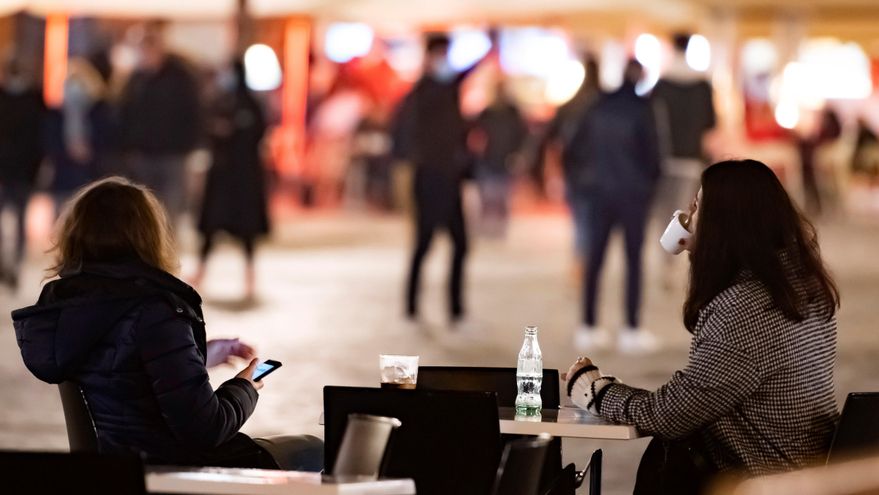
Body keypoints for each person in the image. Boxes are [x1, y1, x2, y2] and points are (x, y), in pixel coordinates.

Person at [565, 160, 840, 491]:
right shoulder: (803, 289)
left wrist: (595, 391)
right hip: (805, 470)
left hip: (761, 479)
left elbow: (671, 413)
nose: (686, 219)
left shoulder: (745, 308)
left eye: (696, 208)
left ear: (722, 226)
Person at [13, 177, 322, 469]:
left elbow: (122, 369)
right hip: (178, 470)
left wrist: (197, 356)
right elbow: (205, 428)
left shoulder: (72, 311)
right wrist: (245, 386)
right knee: (313, 451)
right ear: (149, 237)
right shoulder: (154, 310)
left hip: (114, 468)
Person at [393, 32, 492, 326]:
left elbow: (464, 75)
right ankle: (413, 307)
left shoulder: (446, 90)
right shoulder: (424, 91)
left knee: (459, 244)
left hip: (450, 179)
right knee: (424, 244)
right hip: (429, 179)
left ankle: (455, 310)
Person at [569, 60, 660, 353]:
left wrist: (582, 184)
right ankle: (631, 328)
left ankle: (588, 325)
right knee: (633, 260)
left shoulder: (597, 106)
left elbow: (571, 148)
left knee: (595, 259)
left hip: (597, 193)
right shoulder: (643, 109)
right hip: (632, 195)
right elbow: (654, 156)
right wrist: (649, 189)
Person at [192, 61, 270, 300]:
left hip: (242, 175)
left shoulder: (248, 105)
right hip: (226, 174)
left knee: (246, 230)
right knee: (212, 227)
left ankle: (249, 276)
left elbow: (256, 133)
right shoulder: (222, 102)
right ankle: (202, 272)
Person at [118, 22, 202, 227]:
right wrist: (129, 145)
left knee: (170, 206)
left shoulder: (180, 77)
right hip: (143, 153)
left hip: (172, 153)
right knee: (144, 208)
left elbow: (193, 113)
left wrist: (190, 145)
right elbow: (125, 114)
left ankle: (167, 253)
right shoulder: (136, 80)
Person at [652, 33, 716, 288]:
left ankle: (665, 264)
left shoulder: (662, 84)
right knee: (687, 214)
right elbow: (710, 125)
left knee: (664, 213)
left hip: (664, 159)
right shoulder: (702, 85)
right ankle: (679, 268)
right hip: (691, 159)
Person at [544, 55, 602, 265]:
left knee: (580, 220)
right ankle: (586, 262)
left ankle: (580, 262)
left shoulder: (571, 105)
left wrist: (555, 170)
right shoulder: (603, 106)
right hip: (600, 173)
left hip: (575, 171)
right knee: (592, 222)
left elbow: (554, 141)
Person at [0, 54, 46, 291]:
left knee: (19, 221)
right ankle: (4, 266)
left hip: (24, 172)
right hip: (8, 171)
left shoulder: (34, 100)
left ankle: (14, 266)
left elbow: (40, 139)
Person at [45, 57, 112, 216]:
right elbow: (49, 142)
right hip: (64, 174)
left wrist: (89, 150)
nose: (74, 88)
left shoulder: (100, 110)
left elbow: (108, 139)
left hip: (92, 174)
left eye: (79, 82)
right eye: (71, 81)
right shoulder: (56, 114)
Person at [471, 81, 528, 237]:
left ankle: (499, 229)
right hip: (488, 160)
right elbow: (475, 133)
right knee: (486, 196)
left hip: (506, 160)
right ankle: (485, 228)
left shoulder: (513, 113)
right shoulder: (486, 113)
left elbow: (523, 136)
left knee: (502, 197)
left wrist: (519, 154)